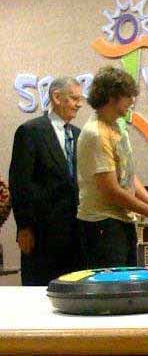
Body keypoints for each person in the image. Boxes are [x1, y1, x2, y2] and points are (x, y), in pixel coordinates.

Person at [77, 66, 148, 269]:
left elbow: (128, 174)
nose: (132, 101)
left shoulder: (117, 127)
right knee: (112, 289)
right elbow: (111, 191)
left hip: (121, 221)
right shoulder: (96, 133)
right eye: (128, 96)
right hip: (102, 224)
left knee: (128, 280)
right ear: (113, 97)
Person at [9, 77, 84, 285]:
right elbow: (20, 182)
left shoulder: (78, 135)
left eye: (80, 99)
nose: (79, 104)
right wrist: (24, 227)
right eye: (74, 98)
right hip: (42, 235)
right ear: (57, 97)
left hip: (75, 235)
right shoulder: (31, 131)